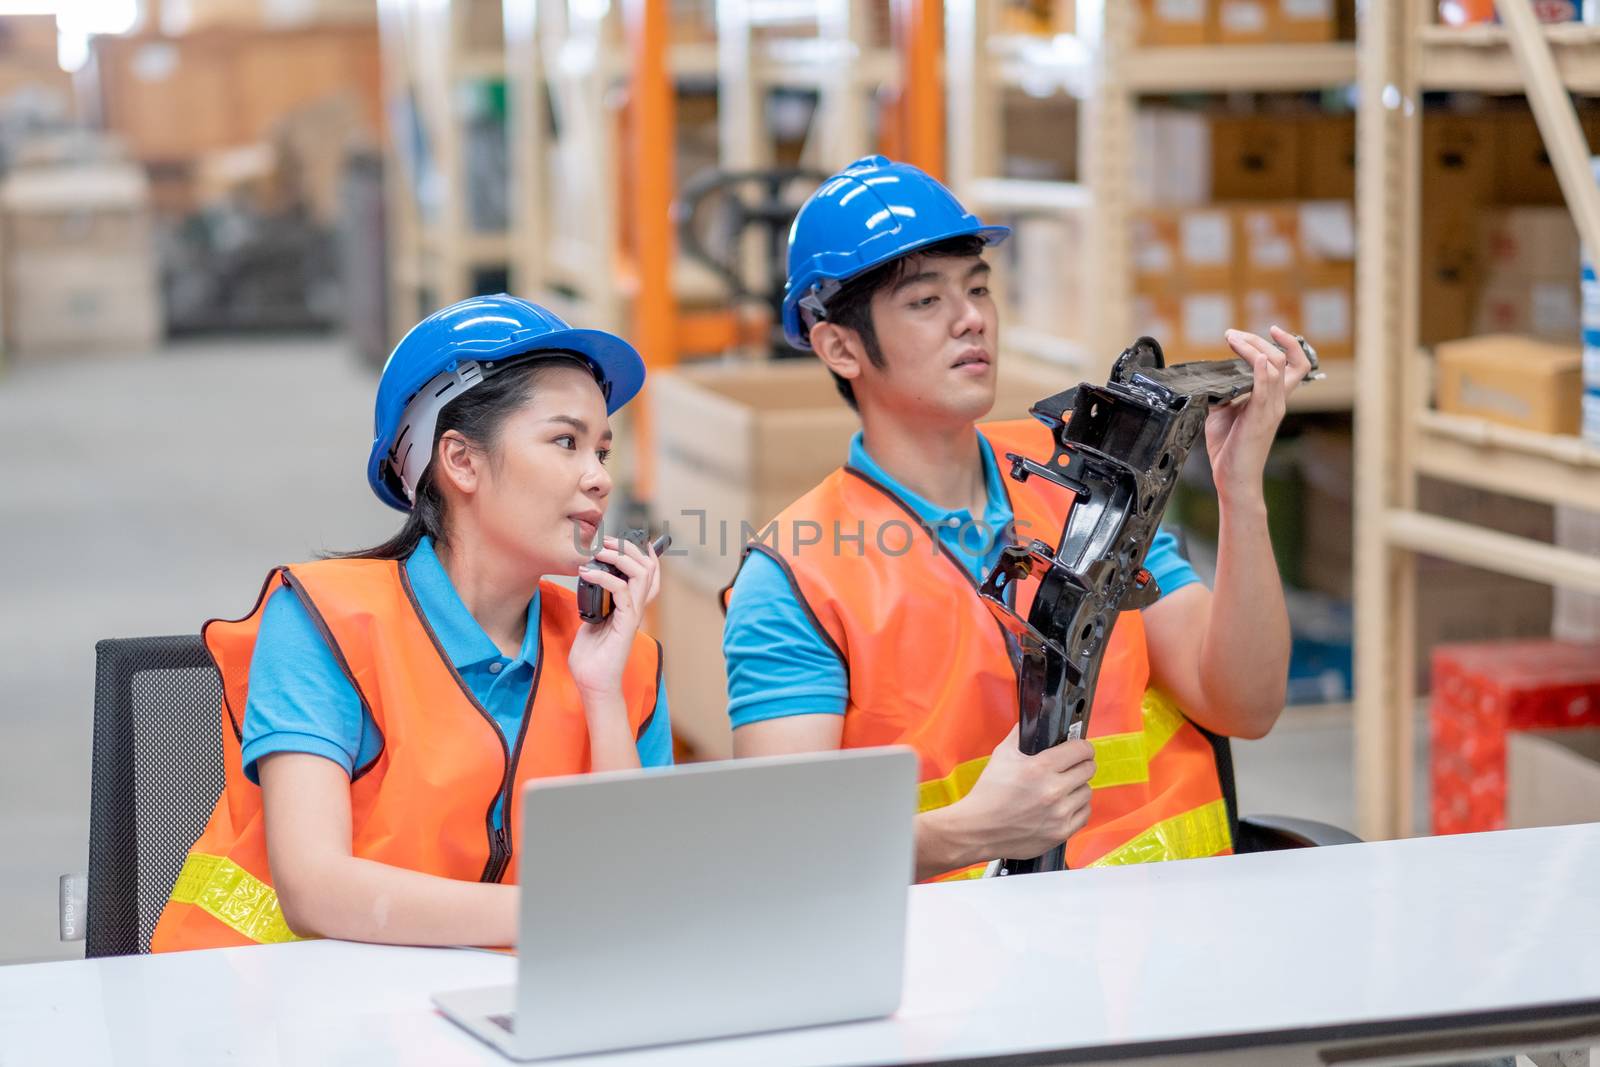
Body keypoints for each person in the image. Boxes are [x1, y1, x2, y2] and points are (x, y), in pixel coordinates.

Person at [721, 157, 1312, 881]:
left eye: (976, 289)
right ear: (841, 346)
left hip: (1181, 943)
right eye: (924, 301)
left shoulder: (1086, 478)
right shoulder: (796, 578)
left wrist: (1239, 488)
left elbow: (1245, 703)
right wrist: (969, 831)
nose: (971, 317)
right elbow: (780, 852)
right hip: (966, 976)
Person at [152, 295, 669, 951]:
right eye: (565, 442)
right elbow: (312, 886)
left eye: (602, 449)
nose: (598, 478)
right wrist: (554, 914)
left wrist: (600, 691)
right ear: (460, 461)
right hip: (261, 1012)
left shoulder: (626, 658)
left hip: (472, 1011)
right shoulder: (328, 622)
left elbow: (638, 892)